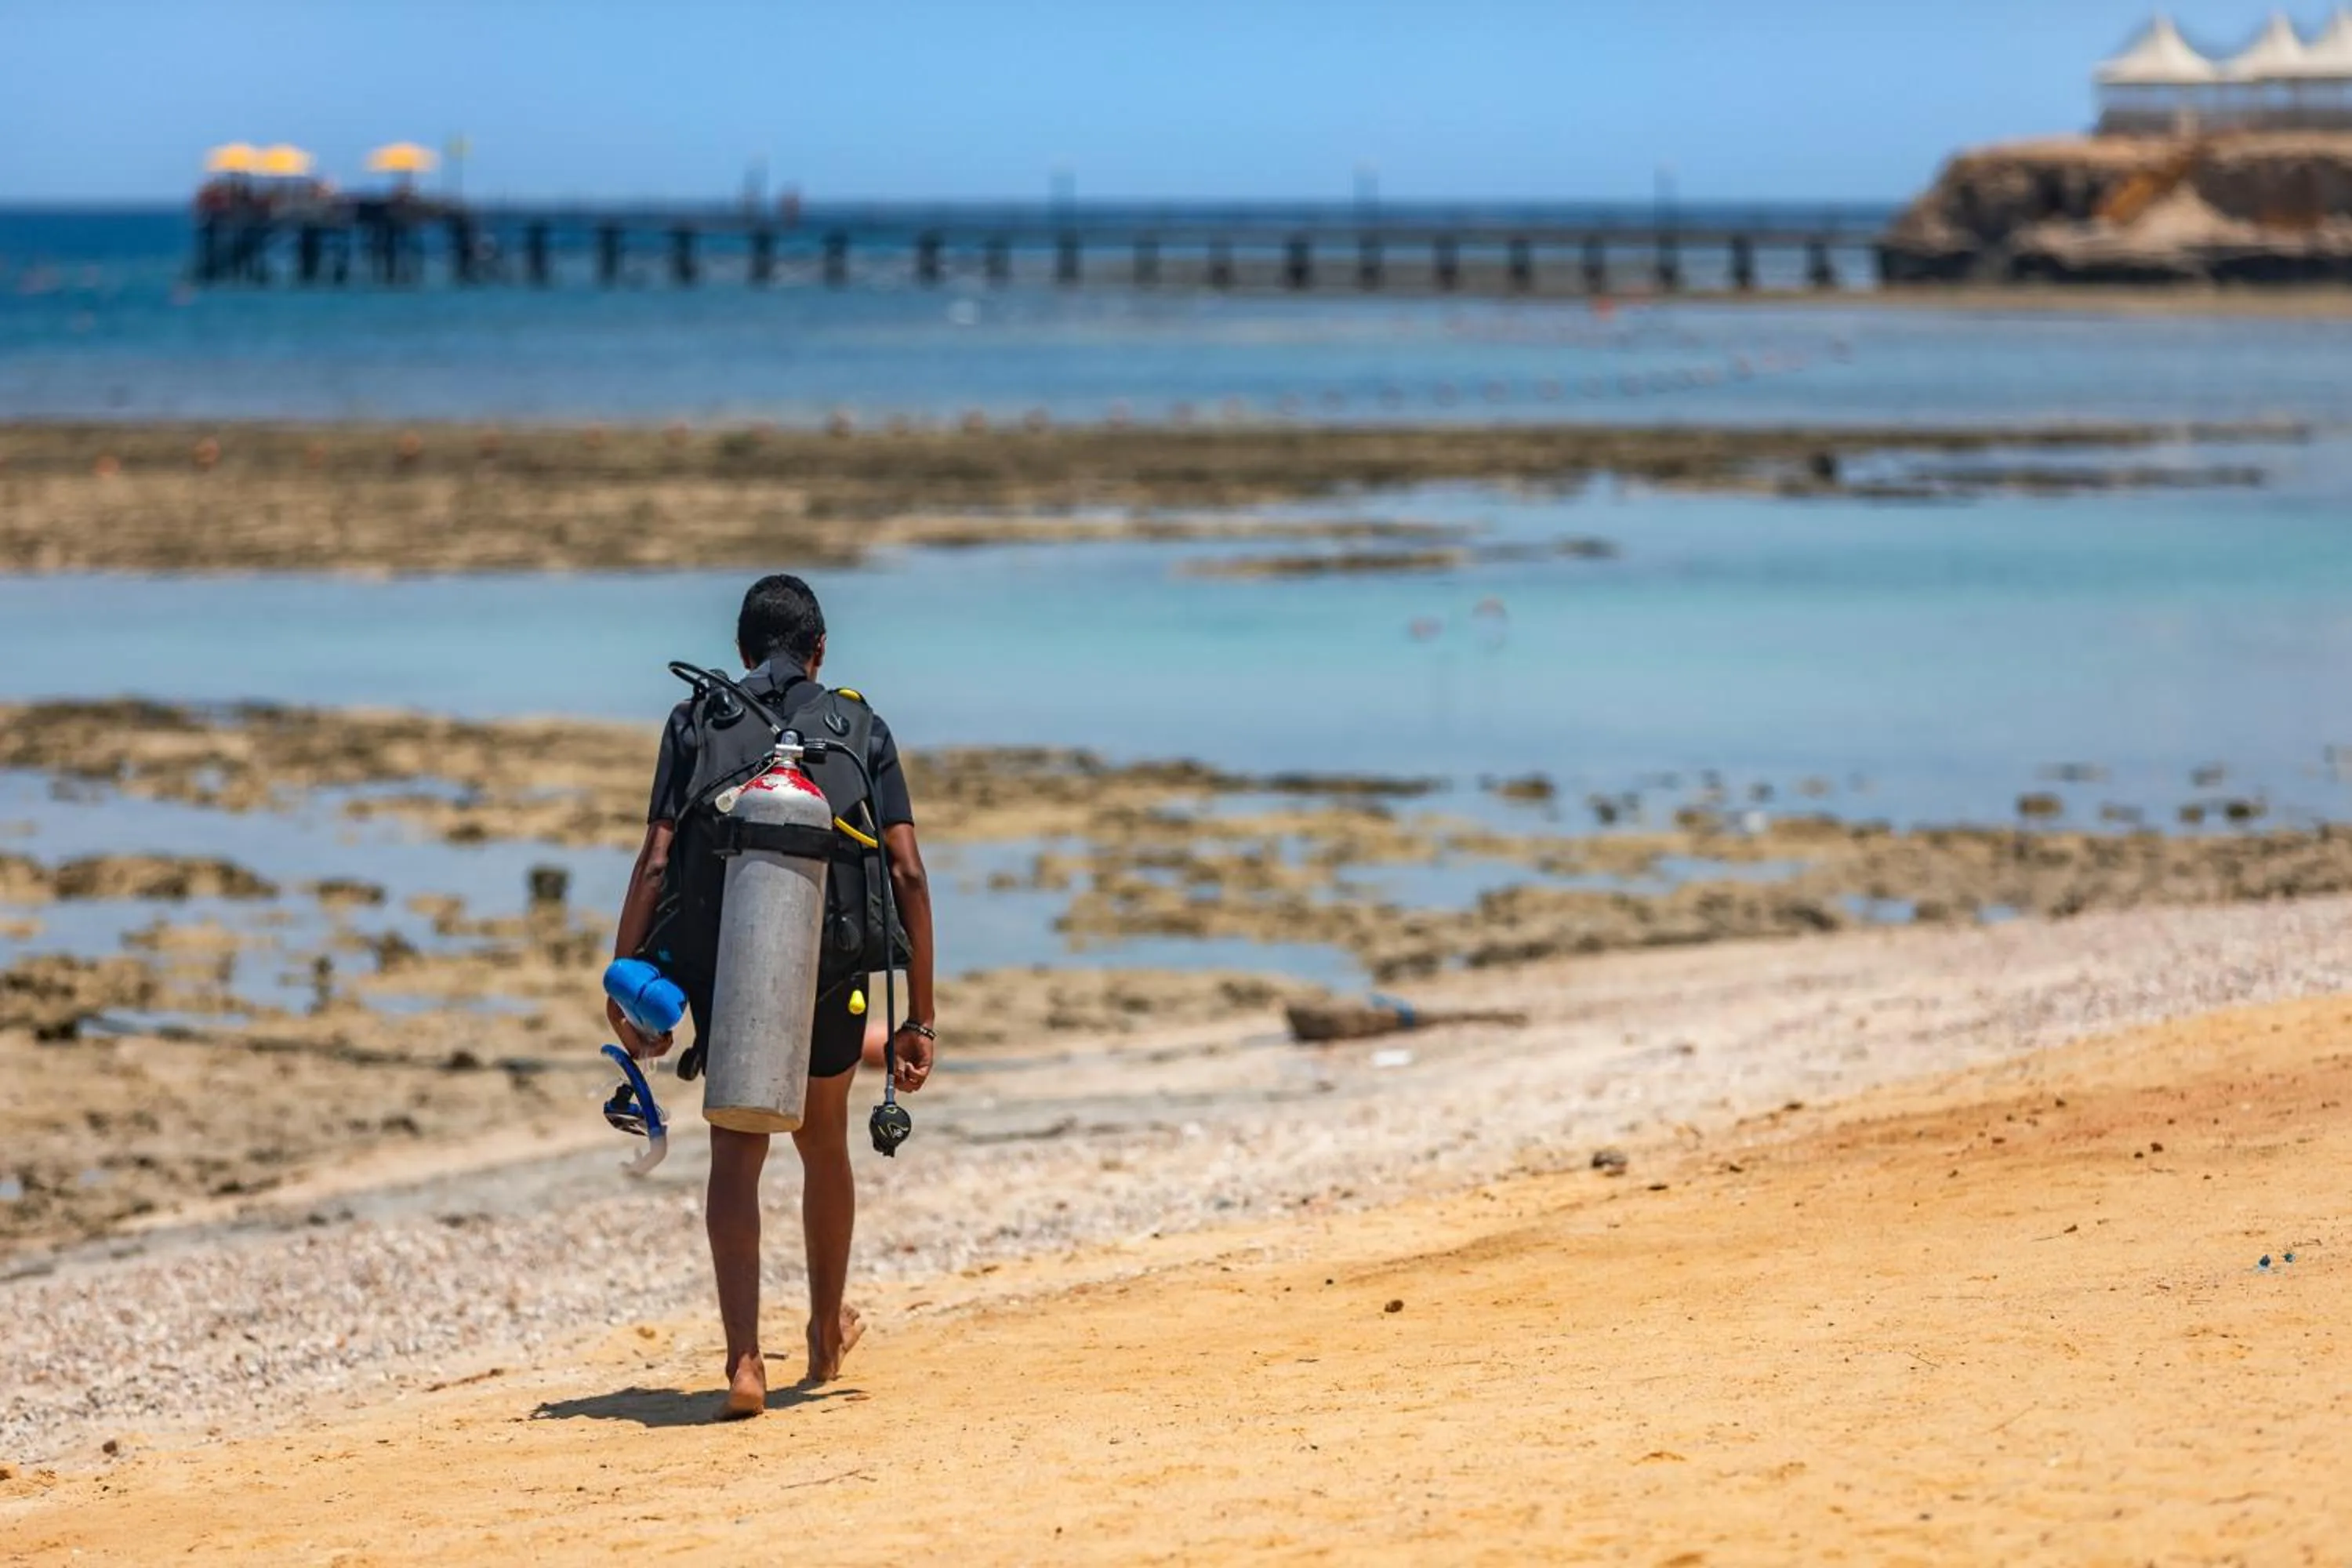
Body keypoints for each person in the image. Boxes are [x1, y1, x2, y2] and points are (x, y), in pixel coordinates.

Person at [608, 573, 936, 1417]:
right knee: (823, 1140)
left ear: (742, 652)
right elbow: (906, 871)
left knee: (736, 1150)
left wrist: (625, 982)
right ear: (821, 652)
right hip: (833, 963)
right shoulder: (860, 724)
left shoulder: (697, 719)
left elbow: (654, 860)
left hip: (731, 955)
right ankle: (826, 1332)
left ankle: (745, 1361)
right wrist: (919, 1017)